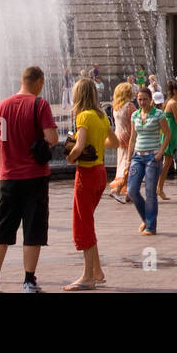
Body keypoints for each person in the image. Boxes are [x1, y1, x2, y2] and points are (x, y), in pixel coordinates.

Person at [0, 66, 57, 293]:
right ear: (37, 82)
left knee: (2, 227)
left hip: (8, 177)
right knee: (33, 229)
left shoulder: (2, 106)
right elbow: (52, 137)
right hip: (35, 177)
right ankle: (28, 281)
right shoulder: (40, 104)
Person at [64, 77, 115, 291]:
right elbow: (114, 142)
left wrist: (70, 157)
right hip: (101, 172)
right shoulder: (101, 116)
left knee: (83, 224)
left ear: (79, 95)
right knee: (88, 221)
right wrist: (97, 143)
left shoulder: (83, 116)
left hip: (86, 173)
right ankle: (97, 271)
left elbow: (79, 147)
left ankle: (87, 277)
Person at [126, 86, 169, 236]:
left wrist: (160, 153)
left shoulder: (159, 114)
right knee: (132, 190)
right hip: (138, 156)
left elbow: (167, 135)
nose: (142, 102)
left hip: (152, 156)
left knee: (150, 191)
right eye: (140, 99)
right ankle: (145, 218)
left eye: (145, 99)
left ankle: (151, 226)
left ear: (151, 100)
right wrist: (128, 158)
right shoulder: (135, 115)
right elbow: (132, 138)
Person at [108, 82, 136, 204]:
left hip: (118, 137)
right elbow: (137, 120)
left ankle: (128, 192)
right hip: (129, 137)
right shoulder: (129, 106)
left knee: (123, 163)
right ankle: (118, 189)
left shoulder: (116, 106)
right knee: (129, 164)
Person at [157, 79, 177, 200]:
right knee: (166, 163)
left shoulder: (171, 102)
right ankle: (159, 188)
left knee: (168, 163)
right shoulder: (173, 103)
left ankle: (159, 188)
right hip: (171, 134)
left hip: (172, 134)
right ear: (175, 91)